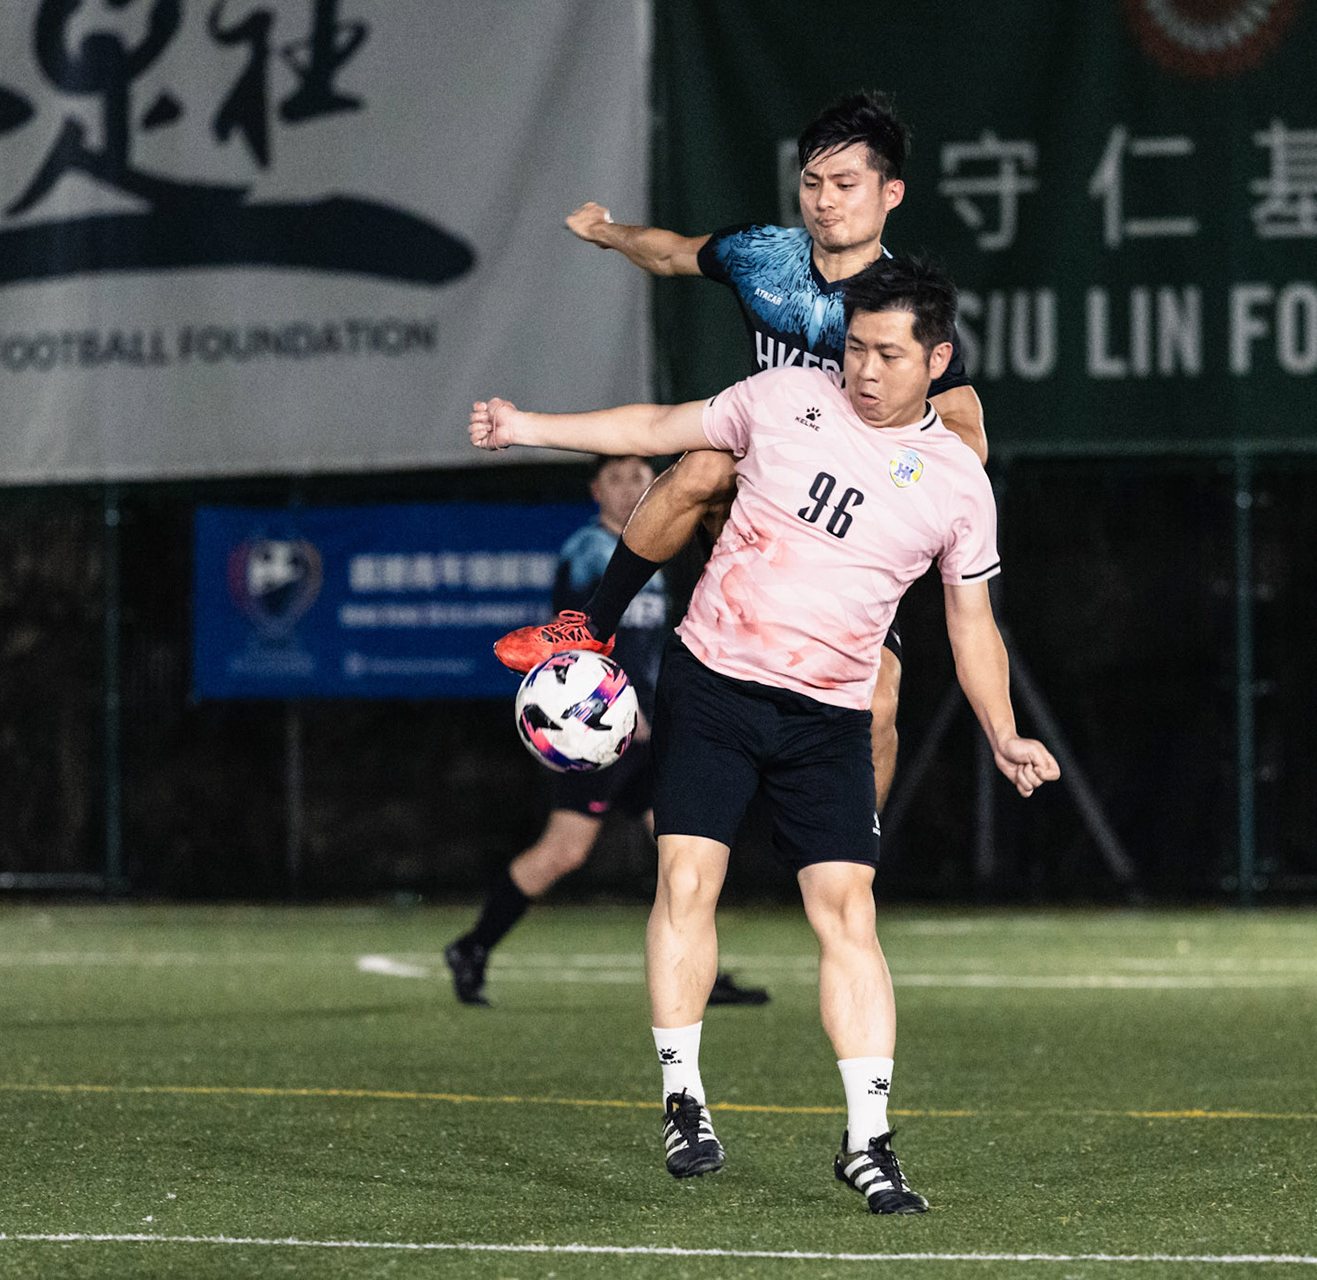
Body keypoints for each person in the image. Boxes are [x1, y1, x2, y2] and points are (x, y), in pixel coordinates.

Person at [470, 257, 1059, 1214]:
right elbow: (658, 431)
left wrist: (1003, 731)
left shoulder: (956, 481)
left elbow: (971, 622)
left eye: (890, 353)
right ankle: (683, 1098)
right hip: (713, 687)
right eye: (856, 346)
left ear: (936, 360)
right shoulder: (787, 396)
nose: (865, 368)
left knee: (848, 916)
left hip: (827, 717)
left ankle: (868, 1141)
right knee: (686, 882)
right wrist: (531, 425)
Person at [492, 90, 986, 815]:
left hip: (848, 534)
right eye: (812, 182)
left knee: (879, 709)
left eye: (845, 185)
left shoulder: (896, 310)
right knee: (705, 459)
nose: (824, 201)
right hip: (759, 504)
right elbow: (669, 254)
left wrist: (899, 468)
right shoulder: (764, 257)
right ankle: (592, 625)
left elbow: (968, 431)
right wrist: (606, 231)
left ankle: (856, 862)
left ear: (891, 194)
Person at [443, 456, 768, 1008]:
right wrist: (614, 708)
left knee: (682, 850)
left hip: (649, 737)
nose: (628, 488)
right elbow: (571, 648)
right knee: (563, 852)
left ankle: (698, 974)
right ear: (596, 489)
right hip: (598, 735)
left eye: (640, 477)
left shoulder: (660, 547)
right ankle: (473, 946)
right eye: (615, 478)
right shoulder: (588, 551)